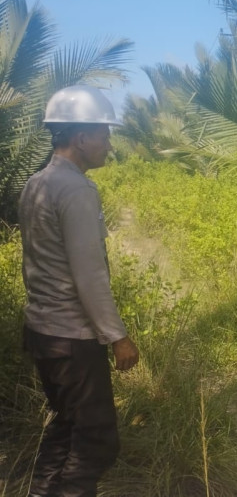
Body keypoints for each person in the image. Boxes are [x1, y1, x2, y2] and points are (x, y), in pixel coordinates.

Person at [19, 85, 140, 497]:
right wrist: (118, 337)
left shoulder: (36, 184)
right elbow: (89, 274)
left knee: (67, 425)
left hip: (42, 331)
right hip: (73, 339)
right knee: (96, 442)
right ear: (81, 138)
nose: (109, 143)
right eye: (104, 134)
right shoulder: (77, 190)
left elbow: (35, 262)